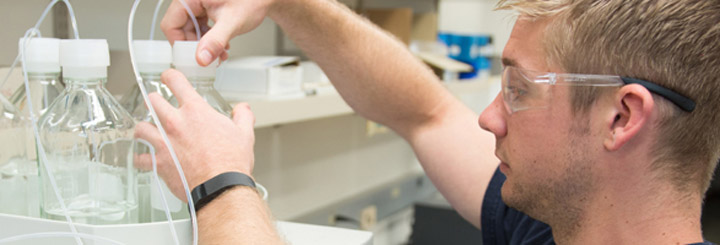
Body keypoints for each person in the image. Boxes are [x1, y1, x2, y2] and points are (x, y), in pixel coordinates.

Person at [134, 0, 720, 244]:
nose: (490, 116)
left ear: (621, 117)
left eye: (517, 89)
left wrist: (219, 184)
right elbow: (426, 111)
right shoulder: (560, 226)